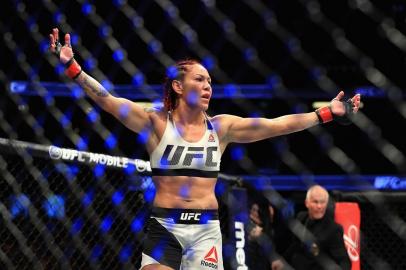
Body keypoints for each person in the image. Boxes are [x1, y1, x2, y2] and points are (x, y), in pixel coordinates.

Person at [49, 28, 361, 270]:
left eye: (210, 81)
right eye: (200, 79)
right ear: (178, 86)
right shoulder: (155, 123)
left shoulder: (221, 128)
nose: (208, 86)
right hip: (165, 226)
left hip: (206, 230)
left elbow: (277, 124)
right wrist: (73, 67)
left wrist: (324, 114)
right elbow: (108, 100)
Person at [284, 185, 351, 270]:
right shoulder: (301, 217)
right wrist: (282, 260)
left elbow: (344, 261)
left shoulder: (333, 229)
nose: (319, 206)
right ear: (306, 203)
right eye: (315, 202)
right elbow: (295, 245)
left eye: (322, 202)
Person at [246, 201, 284, 270]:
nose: (254, 213)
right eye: (253, 210)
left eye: (258, 211)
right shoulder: (245, 227)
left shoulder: (269, 235)